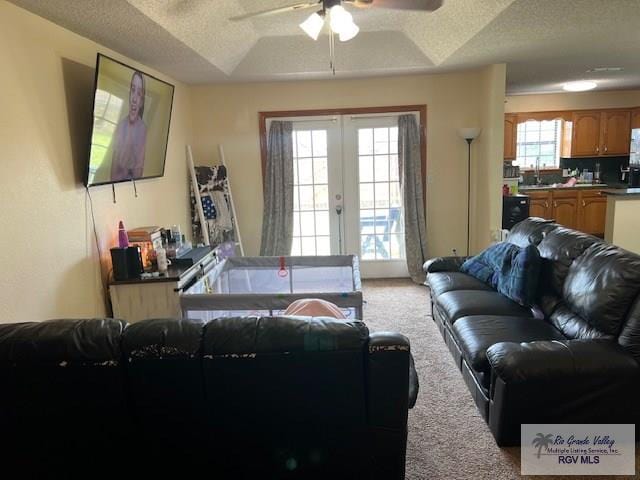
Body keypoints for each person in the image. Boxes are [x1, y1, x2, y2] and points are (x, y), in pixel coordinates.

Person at [110, 70, 147, 182]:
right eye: (133, 90)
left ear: (141, 101)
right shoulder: (121, 126)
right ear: (129, 93)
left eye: (139, 93)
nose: (134, 99)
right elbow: (112, 175)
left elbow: (138, 174)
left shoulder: (143, 129)